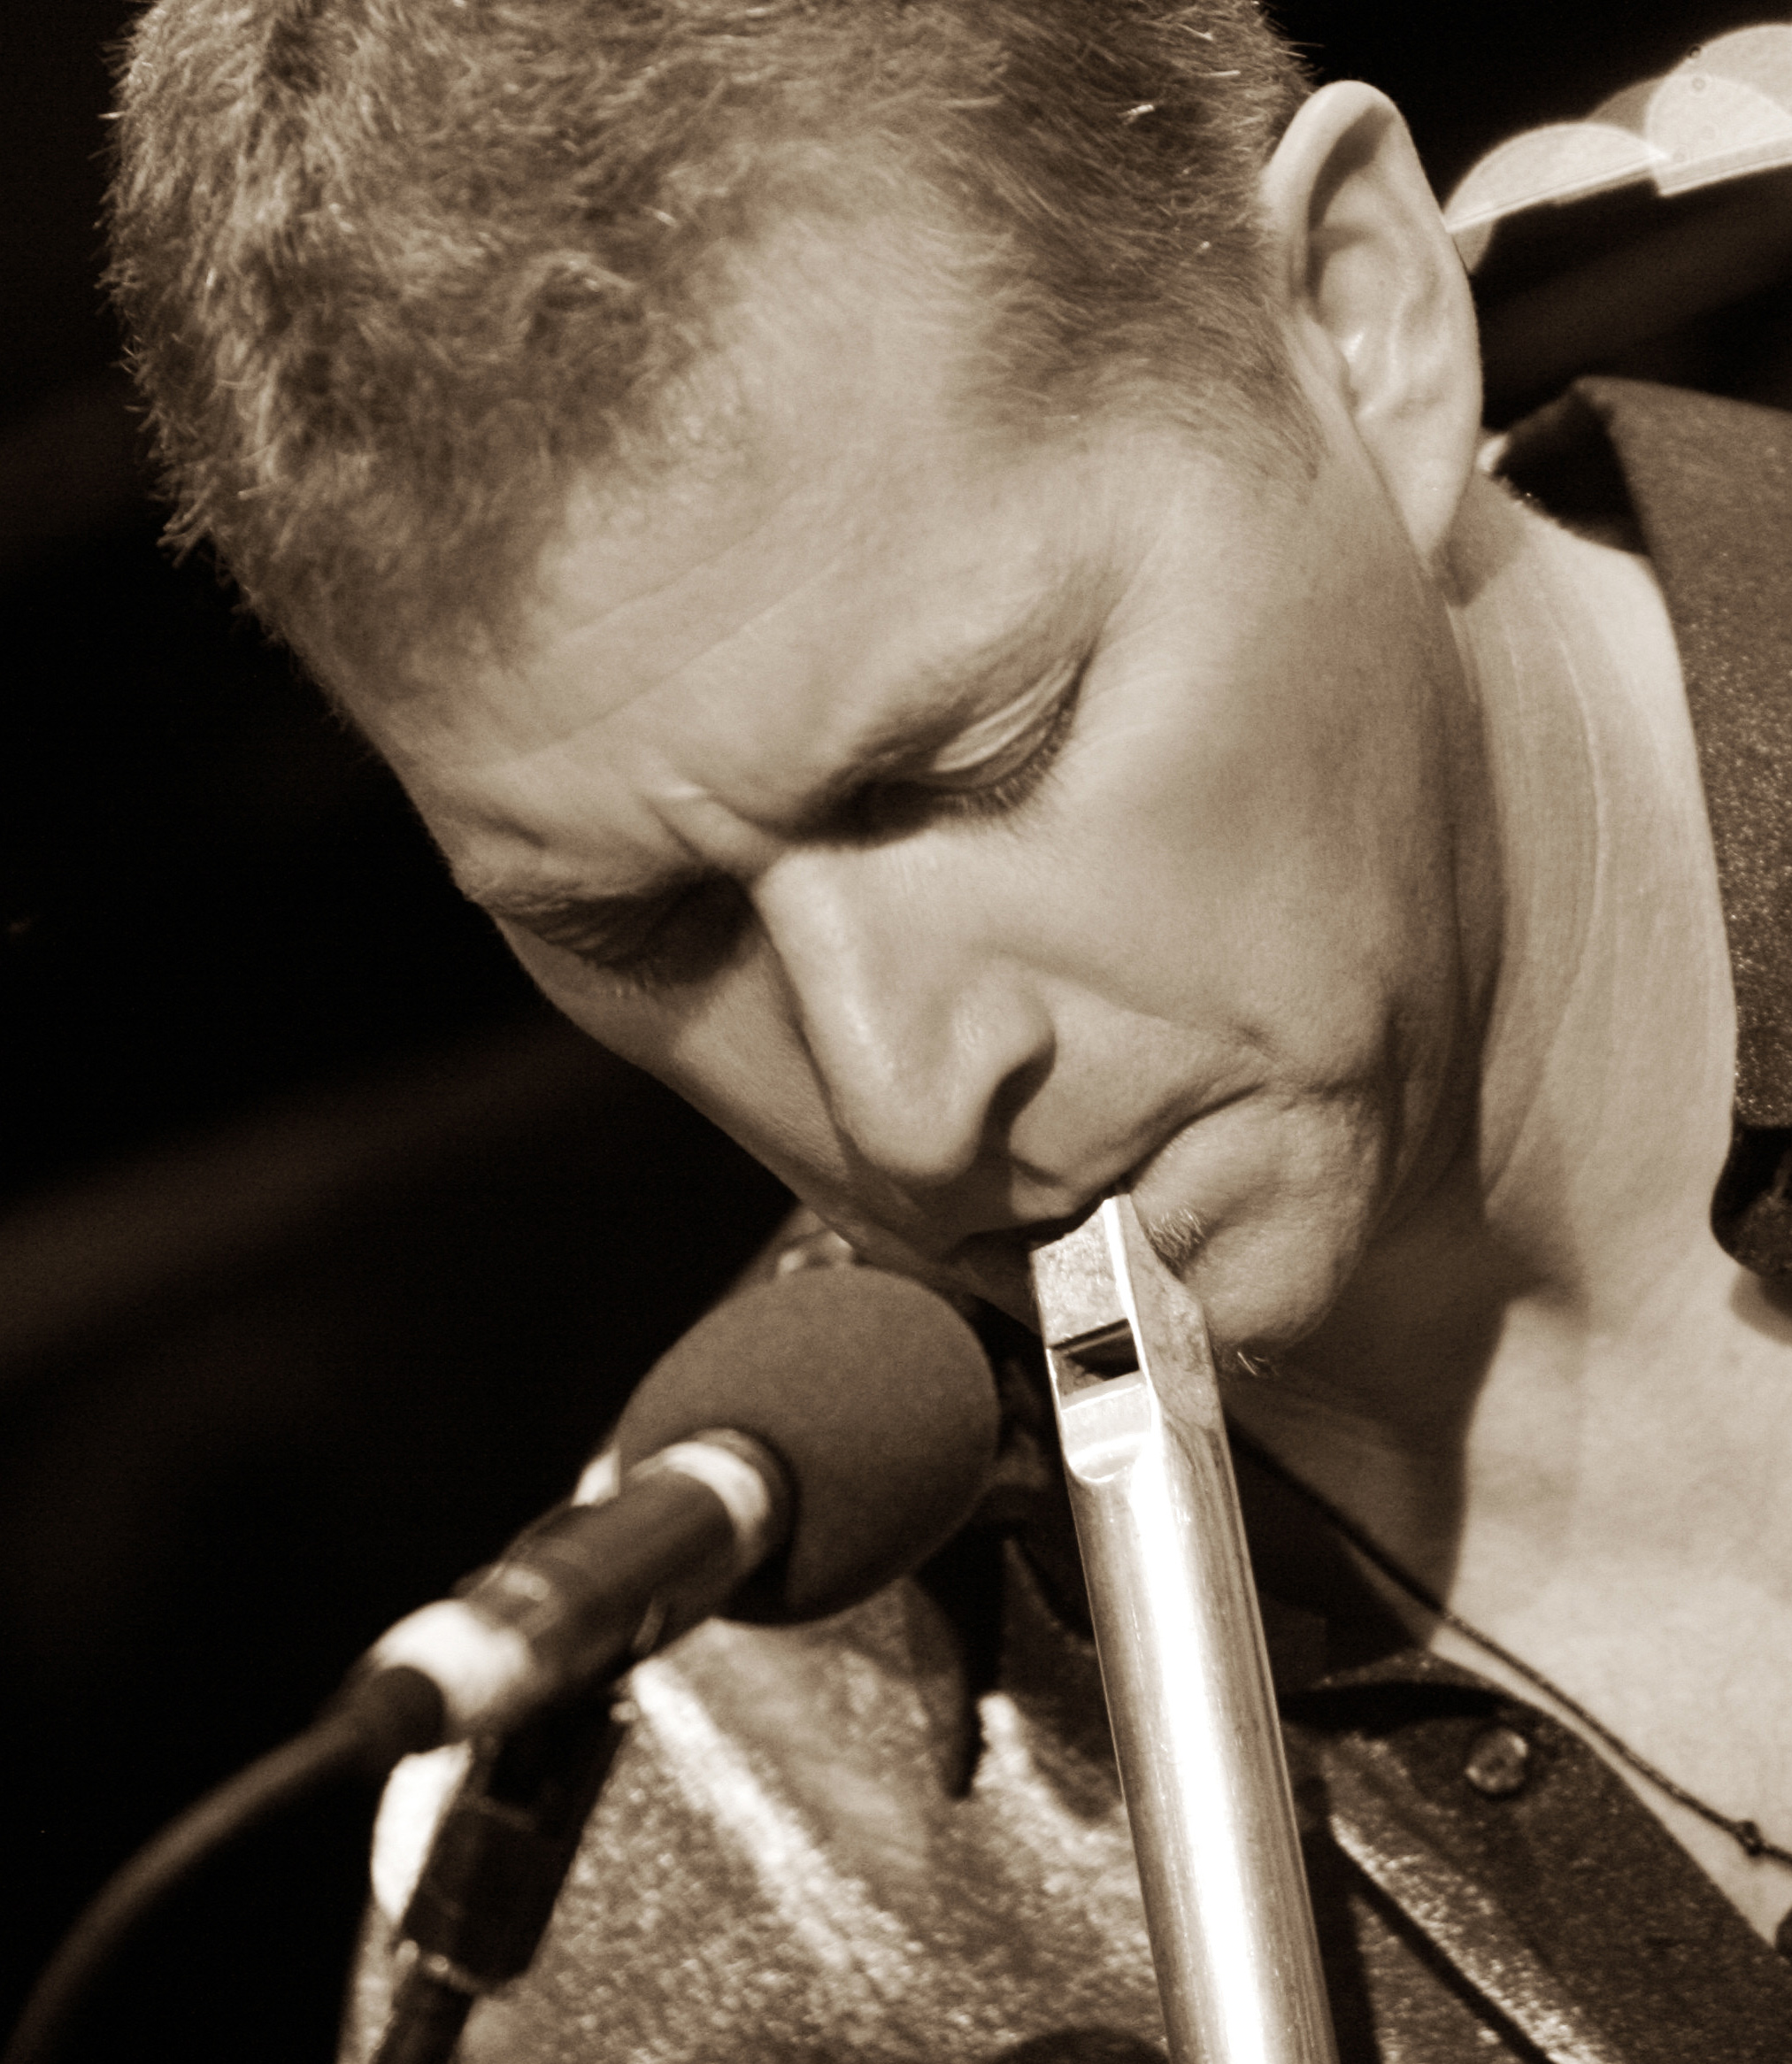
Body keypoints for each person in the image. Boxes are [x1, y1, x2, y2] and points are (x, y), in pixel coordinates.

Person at [105, 1, 1792, 2055]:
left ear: (1361, 325)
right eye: (638, 923)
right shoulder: (656, 1886)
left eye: (970, 762)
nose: (900, 1100)